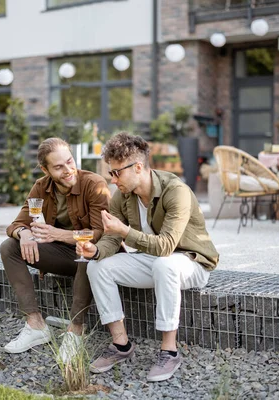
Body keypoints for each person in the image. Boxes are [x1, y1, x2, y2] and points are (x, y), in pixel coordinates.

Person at [77, 132, 219, 382]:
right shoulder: (123, 195)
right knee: (97, 267)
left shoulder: (176, 191)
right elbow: (112, 237)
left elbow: (166, 246)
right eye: (111, 173)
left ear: (138, 167)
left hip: (191, 261)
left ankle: (169, 350)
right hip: (154, 260)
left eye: (117, 172)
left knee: (166, 265)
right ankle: (121, 345)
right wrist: (96, 250)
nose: (113, 180)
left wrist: (125, 232)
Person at [0, 137, 111, 363]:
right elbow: (16, 224)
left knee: (86, 249)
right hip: (61, 257)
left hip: (91, 256)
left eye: (70, 162)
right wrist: (25, 234)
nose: (68, 170)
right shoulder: (41, 187)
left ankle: (75, 331)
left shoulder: (94, 184)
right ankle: (35, 325)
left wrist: (57, 234)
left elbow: (100, 232)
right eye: (59, 167)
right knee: (9, 247)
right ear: (45, 169)